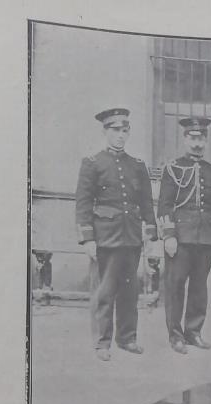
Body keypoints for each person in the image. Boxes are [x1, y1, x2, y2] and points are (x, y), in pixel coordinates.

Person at [75, 108, 156, 360]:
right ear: (105, 131)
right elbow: (83, 203)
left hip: (131, 236)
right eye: (115, 130)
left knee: (130, 291)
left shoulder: (137, 165)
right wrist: (87, 238)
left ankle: (127, 338)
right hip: (105, 237)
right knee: (105, 291)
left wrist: (151, 234)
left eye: (124, 130)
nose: (121, 135)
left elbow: (145, 202)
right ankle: (102, 342)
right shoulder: (92, 163)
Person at [157, 115, 211, 353]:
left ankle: (194, 332)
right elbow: (164, 204)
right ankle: (175, 336)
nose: (197, 143)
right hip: (181, 237)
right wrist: (169, 235)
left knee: (199, 287)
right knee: (175, 286)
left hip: (205, 237)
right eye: (192, 138)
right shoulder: (173, 168)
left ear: (206, 141)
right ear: (185, 139)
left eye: (201, 138)